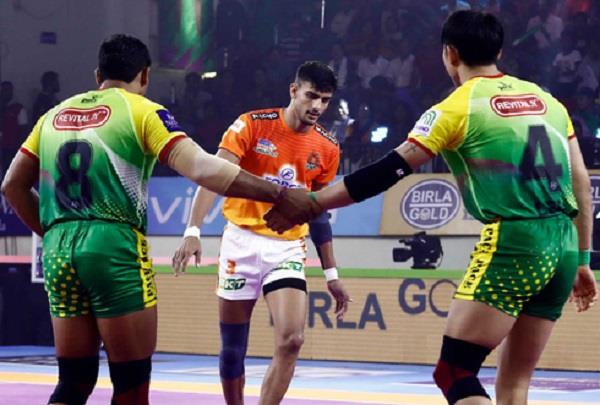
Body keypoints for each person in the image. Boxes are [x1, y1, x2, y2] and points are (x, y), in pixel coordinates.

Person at [264, 10, 598, 405]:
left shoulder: (456, 108)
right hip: (563, 245)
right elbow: (580, 181)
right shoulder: (547, 101)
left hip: (516, 242)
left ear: (450, 54)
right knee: (514, 384)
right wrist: (581, 259)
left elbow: (390, 169)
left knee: (454, 372)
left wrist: (314, 201)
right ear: (499, 52)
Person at [0, 34, 303, 405]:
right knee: (130, 385)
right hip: (113, 244)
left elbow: (12, 186)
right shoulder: (142, 111)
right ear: (144, 76)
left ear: (98, 75)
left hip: (58, 249)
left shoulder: (53, 116)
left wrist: (52, 232)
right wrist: (279, 193)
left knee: (73, 382)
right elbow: (203, 168)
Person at [171, 61, 351, 405]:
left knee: (292, 340)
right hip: (240, 242)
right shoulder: (252, 124)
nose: (317, 106)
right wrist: (193, 229)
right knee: (232, 350)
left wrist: (332, 274)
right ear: (293, 90)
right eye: (311, 96)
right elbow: (212, 175)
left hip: (286, 249)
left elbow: (317, 212)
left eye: (325, 100)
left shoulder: (328, 147)